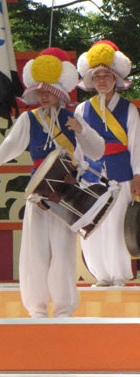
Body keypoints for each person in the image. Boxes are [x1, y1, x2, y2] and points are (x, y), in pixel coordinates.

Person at [0, 47, 104, 318]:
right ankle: (36, 307)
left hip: (66, 192)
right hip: (37, 192)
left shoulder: (74, 118)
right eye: (41, 92)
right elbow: (12, 143)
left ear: (59, 92)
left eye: (49, 91)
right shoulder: (29, 118)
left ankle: (64, 308)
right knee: (34, 250)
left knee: (63, 250)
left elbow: (98, 151)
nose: (44, 96)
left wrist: (82, 131)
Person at [74, 40, 140, 287]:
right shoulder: (82, 109)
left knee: (116, 225)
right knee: (92, 227)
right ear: (91, 80)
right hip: (91, 175)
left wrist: (137, 175)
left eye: (106, 75)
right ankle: (101, 274)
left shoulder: (128, 109)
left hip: (121, 173)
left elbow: (136, 144)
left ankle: (119, 275)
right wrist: (77, 172)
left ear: (115, 78)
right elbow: (79, 146)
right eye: (97, 75)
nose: (101, 80)